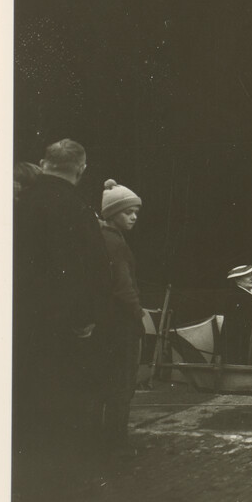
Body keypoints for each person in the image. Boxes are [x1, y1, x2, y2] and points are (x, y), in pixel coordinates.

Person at [14, 139, 111, 486]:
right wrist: (85, 319)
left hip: (20, 321)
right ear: (81, 169)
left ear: (44, 162)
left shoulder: (19, 202)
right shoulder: (76, 208)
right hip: (63, 327)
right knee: (64, 405)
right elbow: (96, 269)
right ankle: (63, 482)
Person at [93, 179, 146, 457]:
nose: (134, 216)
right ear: (113, 213)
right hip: (121, 324)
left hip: (105, 323)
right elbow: (125, 287)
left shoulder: (101, 236)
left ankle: (104, 442)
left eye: (136, 211)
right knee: (122, 385)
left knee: (106, 384)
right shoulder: (116, 243)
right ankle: (116, 445)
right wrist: (139, 315)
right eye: (128, 212)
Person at [221, 264, 252, 362]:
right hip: (243, 340)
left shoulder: (250, 292)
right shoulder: (238, 297)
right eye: (247, 276)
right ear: (237, 280)